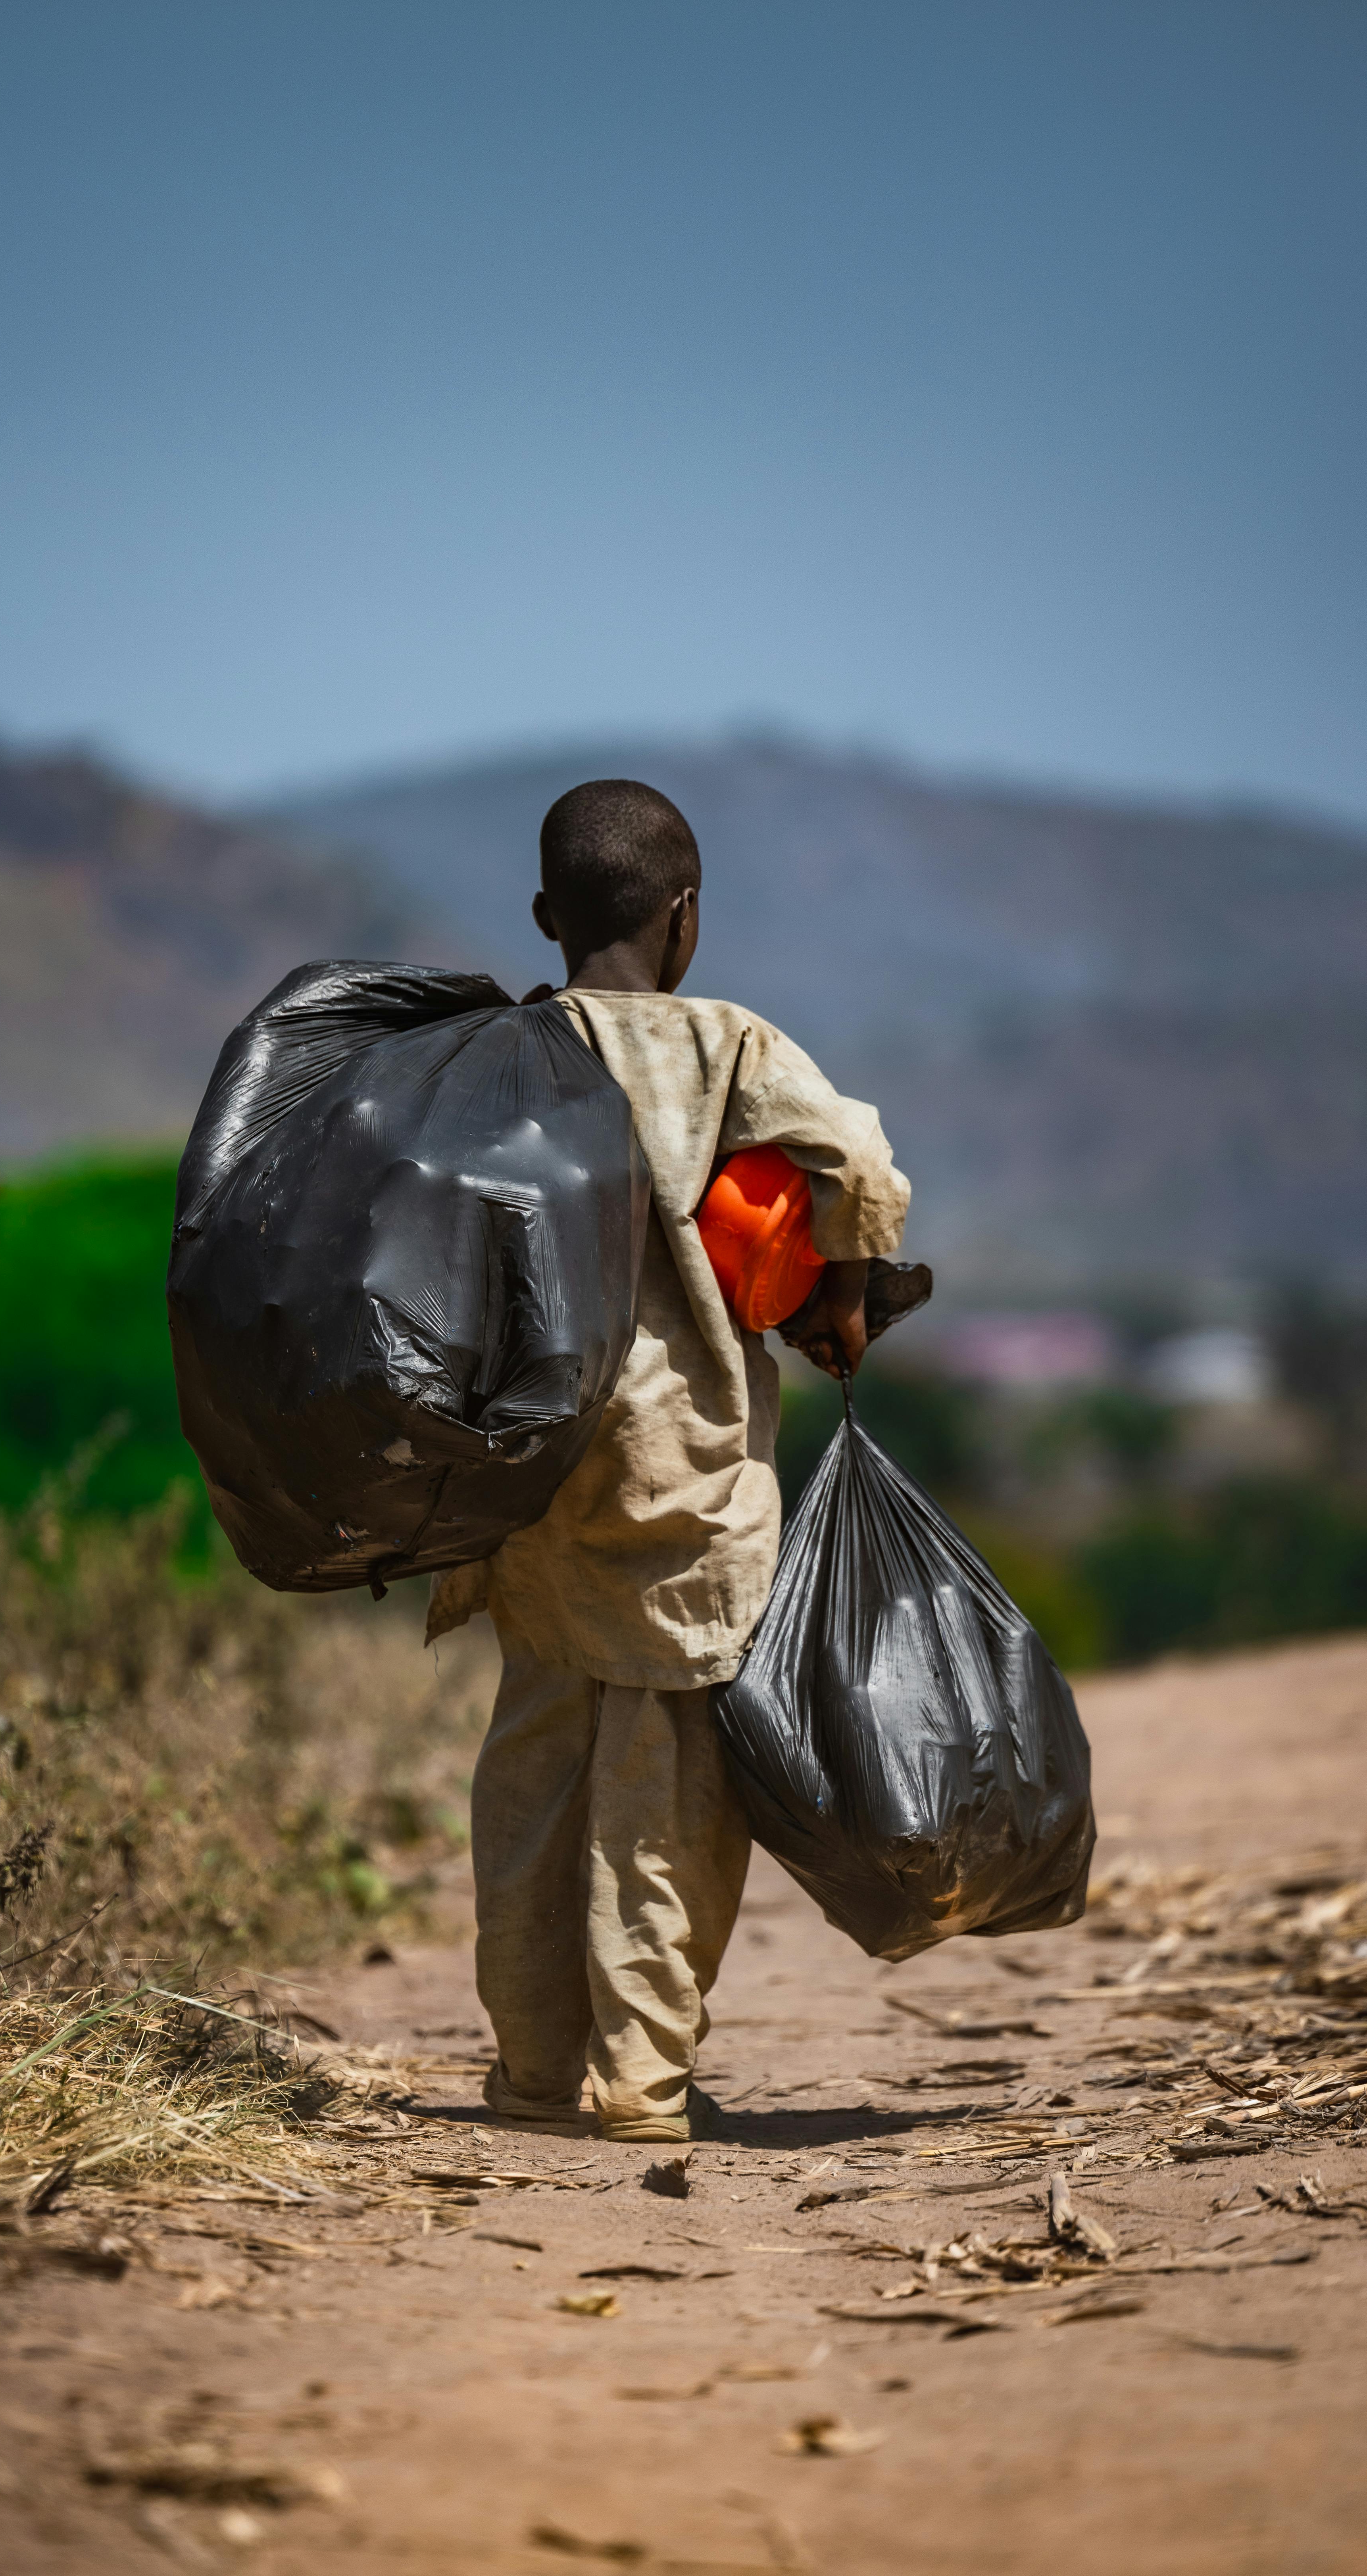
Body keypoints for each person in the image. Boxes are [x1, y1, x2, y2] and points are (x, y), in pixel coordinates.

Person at [426, 779, 910, 2144]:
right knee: (665, 1798)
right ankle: (640, 2083)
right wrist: (855, 1288)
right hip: (683, 1483)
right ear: (686, 920)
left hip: (528, 1478)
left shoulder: (503, 1053)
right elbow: (858, 1156)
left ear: (544, 917)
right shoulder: (725, 1046)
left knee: (532, 1782)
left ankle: (530, 2076)